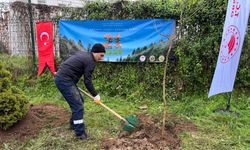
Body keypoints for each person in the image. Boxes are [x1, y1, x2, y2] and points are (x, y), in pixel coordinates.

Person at [54, 43, 105, 140]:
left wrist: (59, 70)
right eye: (101, 55)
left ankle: (74, 124)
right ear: (95, 53)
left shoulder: (84, 55)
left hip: (64, 78)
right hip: (65, 80)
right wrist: (95, 95)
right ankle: (80, 134)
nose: (102, 58)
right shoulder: (91, 61)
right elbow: (87, 81)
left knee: (79, 101)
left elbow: (68, 59)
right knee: (78, 105)